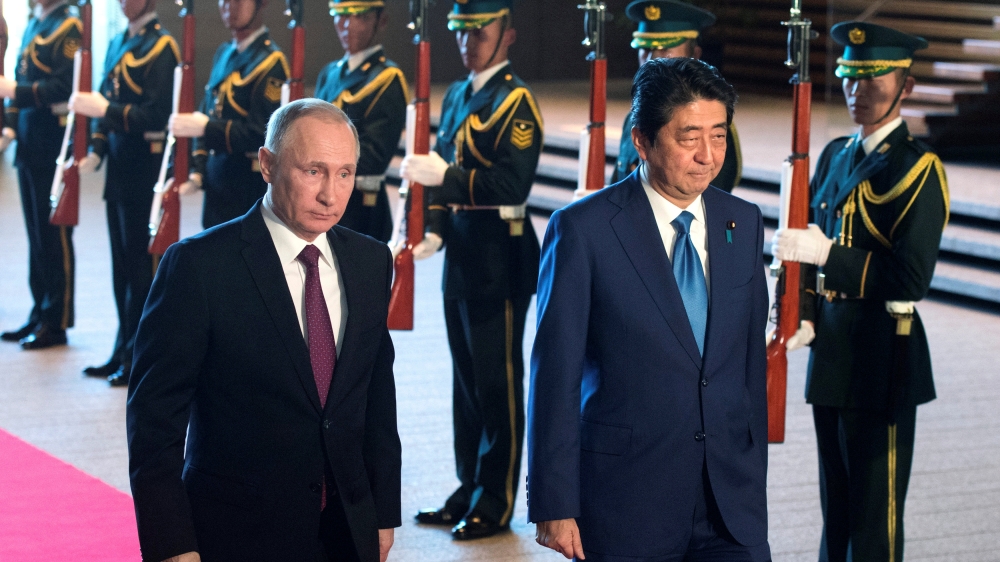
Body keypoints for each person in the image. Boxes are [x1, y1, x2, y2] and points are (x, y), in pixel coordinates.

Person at [127, 99, 400, 562]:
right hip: (235, 535)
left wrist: (382, 512)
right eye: (313, 171)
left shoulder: (371, 261)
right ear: (268, 164)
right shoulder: (198, 267)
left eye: (345, 174)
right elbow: (154, 424)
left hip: (345, 531)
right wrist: (173, 545)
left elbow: (376, 398)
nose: (330, 195)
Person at [527, 57, 770, 561]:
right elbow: (555, 375)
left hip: (730, 504)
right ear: (642, 140)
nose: (707, 156)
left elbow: (748, 366)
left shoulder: (742, 222)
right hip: (626, 501)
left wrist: (752, 476)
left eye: (719, 136)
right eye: (689, 138)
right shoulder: (584, 230)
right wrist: (554, 501)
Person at [772, 22, 948, 562]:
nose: (857, 90)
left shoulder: (917, 168)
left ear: (906, 86)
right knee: (838, 510)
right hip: (831, 351)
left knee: (875, 519)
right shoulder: (832, 155)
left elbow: (911, 278)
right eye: (850, 77)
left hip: (881, 355)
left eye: (874, 78)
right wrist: (800, 312)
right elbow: (805, 246)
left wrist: (830, 256)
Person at [400, 0, 542, 541]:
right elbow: (437, 172)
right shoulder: (460, 94)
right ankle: (469, 486)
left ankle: (497, 498)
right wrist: (434, 226)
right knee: (466, 383)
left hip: (499, 257)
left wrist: (449, 179)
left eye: (480, 31)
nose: (469, 42)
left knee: (497, 383)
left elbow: (513, 185)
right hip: (462, 251)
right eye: (461, 32)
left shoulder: (516, 101)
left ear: (508, 34)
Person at [68, 0, 179, 387]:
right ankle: (122, 349)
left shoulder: (163, 47)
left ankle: (139, 357)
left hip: (144, 170)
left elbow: (158, 114)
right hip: (118, 169)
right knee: (122, 269)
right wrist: (97, 149)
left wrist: (107, 111)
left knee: (141, 271)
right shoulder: (118, 41)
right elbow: (104, 101)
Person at [0, 0, 80, 350]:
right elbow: (23, 76)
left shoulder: (68, 27)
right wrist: (10, 125)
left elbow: (63, 88)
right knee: (36, 235)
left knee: (53, 234)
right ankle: (40, 311)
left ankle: (56, 320)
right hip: (30, 143)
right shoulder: (36, 23)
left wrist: (14, 92)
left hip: (52, 145)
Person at [169, 0, 287, 229]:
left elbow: (263, 134)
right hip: (216, 182)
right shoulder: (224, 53)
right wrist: (198, 169)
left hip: (245, 187)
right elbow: (208, 110)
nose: (229, 6)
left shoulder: (271, 62)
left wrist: (206, 128)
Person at [610, 0, 741, 192]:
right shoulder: (633, 120)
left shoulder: (712, 125)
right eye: (646, 49)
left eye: (665, 50)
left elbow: (710, 198)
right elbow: (619, 188)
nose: (652, 59)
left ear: (694, 55)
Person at [316, 0, 406, 243]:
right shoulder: (329, 73)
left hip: (361, 211)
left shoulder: (386, 78)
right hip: (323, 202)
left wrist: (315, 159)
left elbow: (374, 156)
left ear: (381, 20)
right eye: (342, 16)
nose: (348, 26)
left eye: (361, 17)